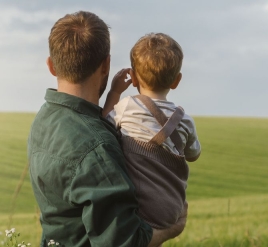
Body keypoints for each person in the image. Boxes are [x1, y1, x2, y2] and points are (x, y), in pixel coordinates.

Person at [27, 11, 187, 247]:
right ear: (106, 65)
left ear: (51, 66)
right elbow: (125, 241)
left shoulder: (44, 119)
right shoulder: (97, 147)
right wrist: (173, 228)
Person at [102, 33, 201, 230]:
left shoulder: (127, 106)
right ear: (176, 81)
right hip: (170, 210)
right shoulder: (185, 120)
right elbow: (193, 155)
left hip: (136, 207)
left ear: (134, 77)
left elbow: (104, 123)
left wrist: (114, 92)